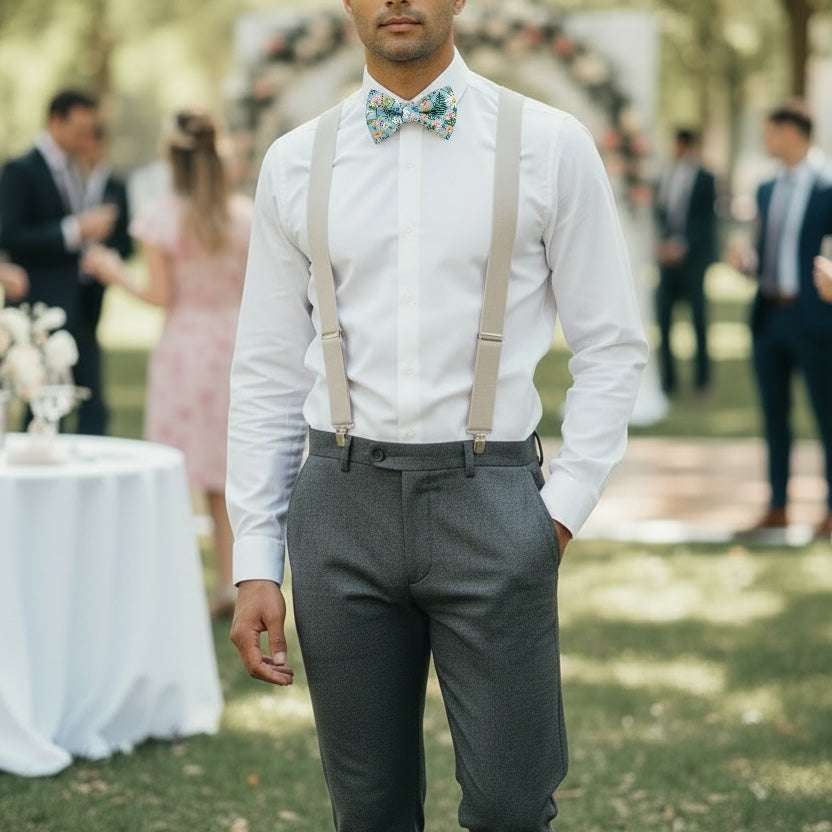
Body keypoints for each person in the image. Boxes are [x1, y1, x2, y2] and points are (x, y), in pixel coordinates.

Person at [227, 1, 648, 829]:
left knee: (511, 804)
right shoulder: (293, 161)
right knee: (369, 808)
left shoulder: (549, 145)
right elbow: (267, 371)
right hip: (338, 504)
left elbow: (612, 346)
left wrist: (555, 517)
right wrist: (254, 556)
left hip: (491, 501)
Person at [83, 110, 252, 617]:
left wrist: (114, 273)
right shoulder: (244, 215)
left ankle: (175, 588)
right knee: (226, 475)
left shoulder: (161, 217)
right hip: (236, 348)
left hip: (185, 349)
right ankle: (231, 585)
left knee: (177, 472)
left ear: (171, 158)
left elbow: (159, 294)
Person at [727, 101, 832, 538]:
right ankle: (776, 506)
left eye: (770, 132)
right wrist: (747, 263)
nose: (765, 140)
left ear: (792, 132)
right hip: (770, 317)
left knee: (827, 416)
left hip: (817, 319)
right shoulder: (767, 188)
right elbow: (771, 255)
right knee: (774, 416)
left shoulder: (828, 185)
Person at [0, 89, 117, 434]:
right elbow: (10, 235)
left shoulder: (77, 168)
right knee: (44, 408)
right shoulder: (21, 170)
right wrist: (75, 229)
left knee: (93, 406)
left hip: (81, 305)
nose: (86, 138)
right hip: (40, 307)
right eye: (80, 129)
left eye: (90, 130)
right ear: (55, 121)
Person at [75, 122, 133, 434]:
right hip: (66, 280)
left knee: (88, 345)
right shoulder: (70, 181)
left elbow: (126, 242)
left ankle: (91, 415)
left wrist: (106, 261)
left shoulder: (117, 186)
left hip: (96, 283)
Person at [654, 127, 717, 396]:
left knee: (698, 321)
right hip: (667, 262)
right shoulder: (665, 176)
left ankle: (702, 380)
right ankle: (668, 380)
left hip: (693, 262)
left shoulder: (706, 178)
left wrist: (683, 245)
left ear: (689, 146)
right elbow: (661, 214)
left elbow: (706, 221)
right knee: (664, 319)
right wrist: (663, 245)